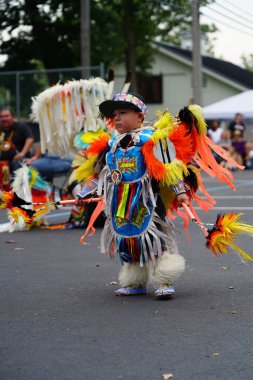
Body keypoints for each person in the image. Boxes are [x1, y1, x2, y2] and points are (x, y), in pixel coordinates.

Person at [75, 93, 188, 299]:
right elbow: (99, 173)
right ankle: (135, 280)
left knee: (156, 240)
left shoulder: (151, 141)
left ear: (139, 117)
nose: (117, 118)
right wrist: (84, 193)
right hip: (120, 202)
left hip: (148, 201)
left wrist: (179, 191)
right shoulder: (111, 145)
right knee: (128, 241)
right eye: (115, 114)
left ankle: (164, 279)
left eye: (123, 113)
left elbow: (168, 169)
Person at [0, 107, 34, 172]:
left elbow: (30, 139)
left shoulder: (21, 127)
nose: (4, 119)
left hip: (17, 160)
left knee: (20, 163)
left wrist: (22, 153)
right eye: (1, 117)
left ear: (12, 117)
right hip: (2, 161)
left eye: (6, 116)